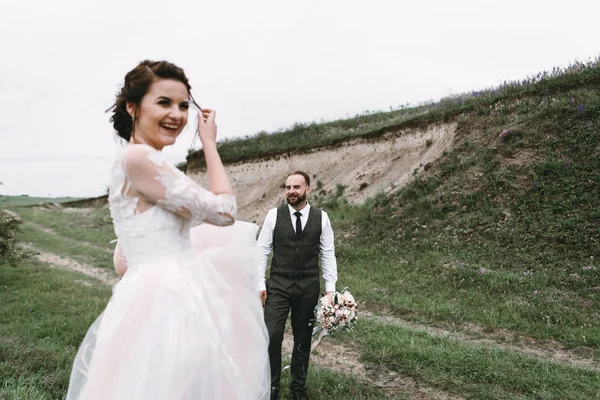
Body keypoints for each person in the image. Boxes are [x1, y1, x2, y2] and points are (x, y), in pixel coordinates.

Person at [66, 60, 270, 400]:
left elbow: (123, 262)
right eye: (164, 102)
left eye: (183, 105)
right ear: (133, 106)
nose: (176, 114)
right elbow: (224, 211)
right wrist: (209, 143)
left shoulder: (128, 161)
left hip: (144, 294)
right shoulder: (142, 159)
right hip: (170, 300)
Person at [257, 171, 338, 400]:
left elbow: (328, 254)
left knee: (302, 341)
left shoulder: (321, 218)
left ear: (307, 190)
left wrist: (330, 290)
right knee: (271, 337)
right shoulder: (274, 216)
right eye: (288, 187)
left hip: (307, 287)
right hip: (279, 286)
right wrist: (259, 283)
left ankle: (298, 388)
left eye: (296, 187)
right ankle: (271, 389)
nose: (291, 191)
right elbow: (262, 251)